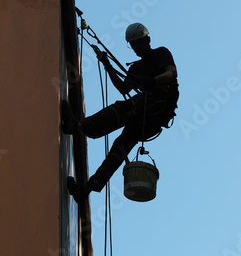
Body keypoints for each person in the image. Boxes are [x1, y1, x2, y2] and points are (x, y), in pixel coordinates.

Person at [61, 22, 179, 202]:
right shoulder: (136, 68)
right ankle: (85, 190)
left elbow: (172, 73)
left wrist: (153, 81)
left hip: (157, 109)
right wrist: (107, 65)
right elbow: (124, 88)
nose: (136, 48)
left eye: (138, 43)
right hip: (143, 116)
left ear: (147, 40)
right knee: (118, 148)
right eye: (133, 45)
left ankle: (77, 126)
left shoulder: (160, 53)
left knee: (123, 108)